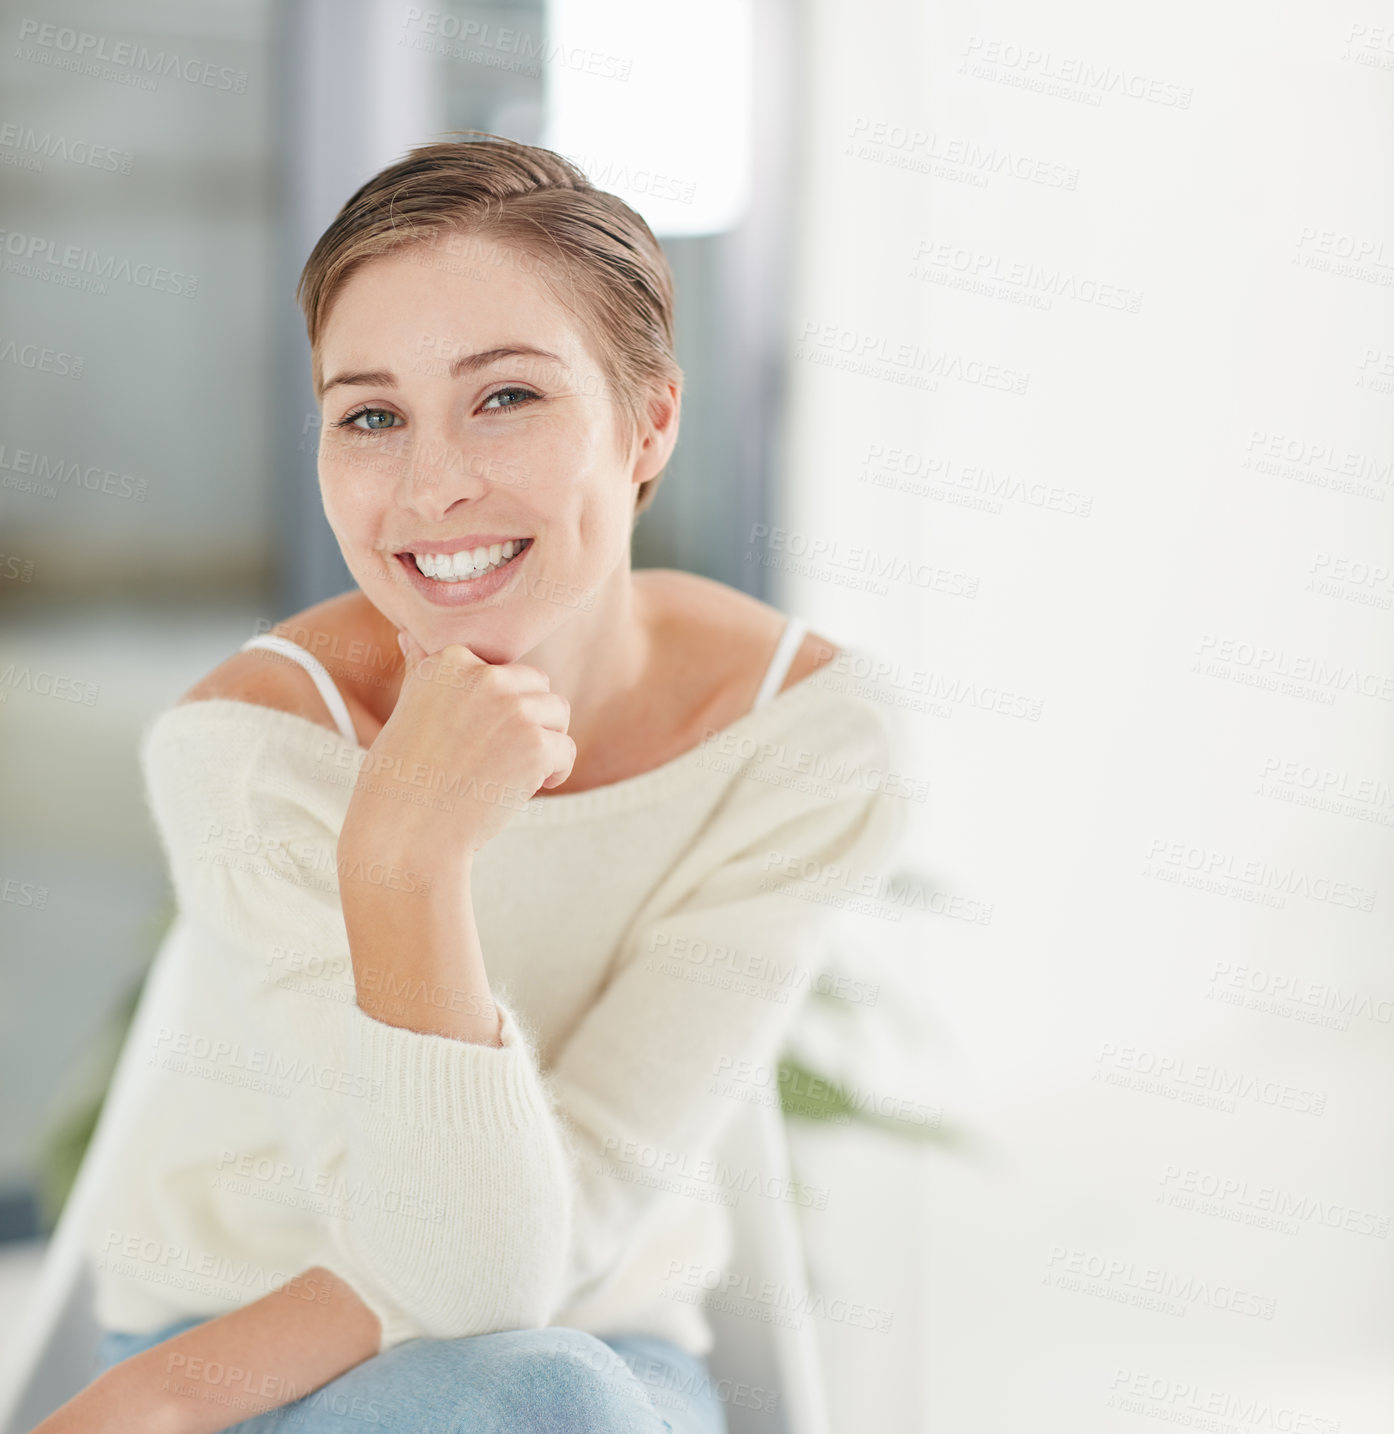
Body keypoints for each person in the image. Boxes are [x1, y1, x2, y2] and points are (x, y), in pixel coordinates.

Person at [37, 134, 907, 1433]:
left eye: (505, 397)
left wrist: (404, 861)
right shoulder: (249, 747)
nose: (432, 486)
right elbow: (451, 1279)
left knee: (544, 1388)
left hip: (597, 1350)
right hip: (255, 1346)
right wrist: (190, 1371)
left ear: (648, 421)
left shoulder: (798, 740)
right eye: (370, 414)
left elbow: (508, 1269)